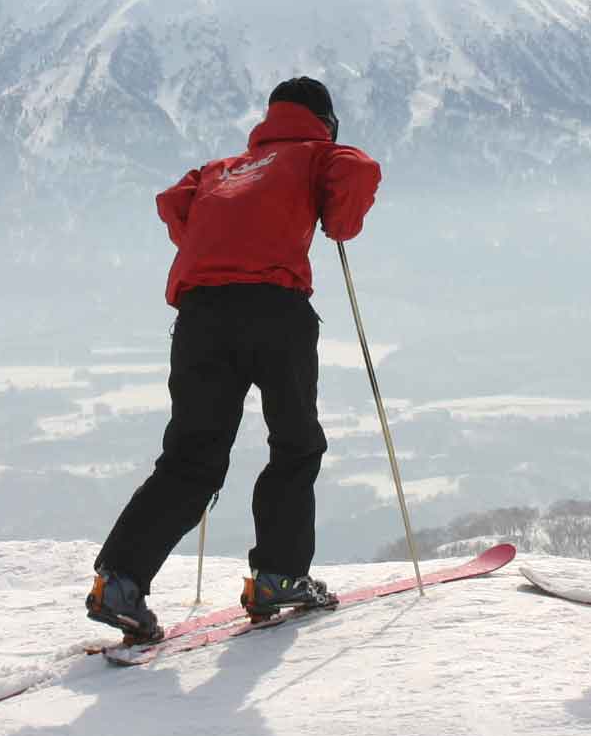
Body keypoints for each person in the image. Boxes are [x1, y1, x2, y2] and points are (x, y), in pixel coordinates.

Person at [86, 76, 382, 642]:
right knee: (295, 444)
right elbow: (357, 178)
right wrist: (330, 215)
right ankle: (279, 576)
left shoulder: (218, 169)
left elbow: (174, 203)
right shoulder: (319, 154)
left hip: (200, 314)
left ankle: (120, 582)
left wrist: (219, 241)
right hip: (276, 309)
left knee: (191, 458)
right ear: (325, 120)